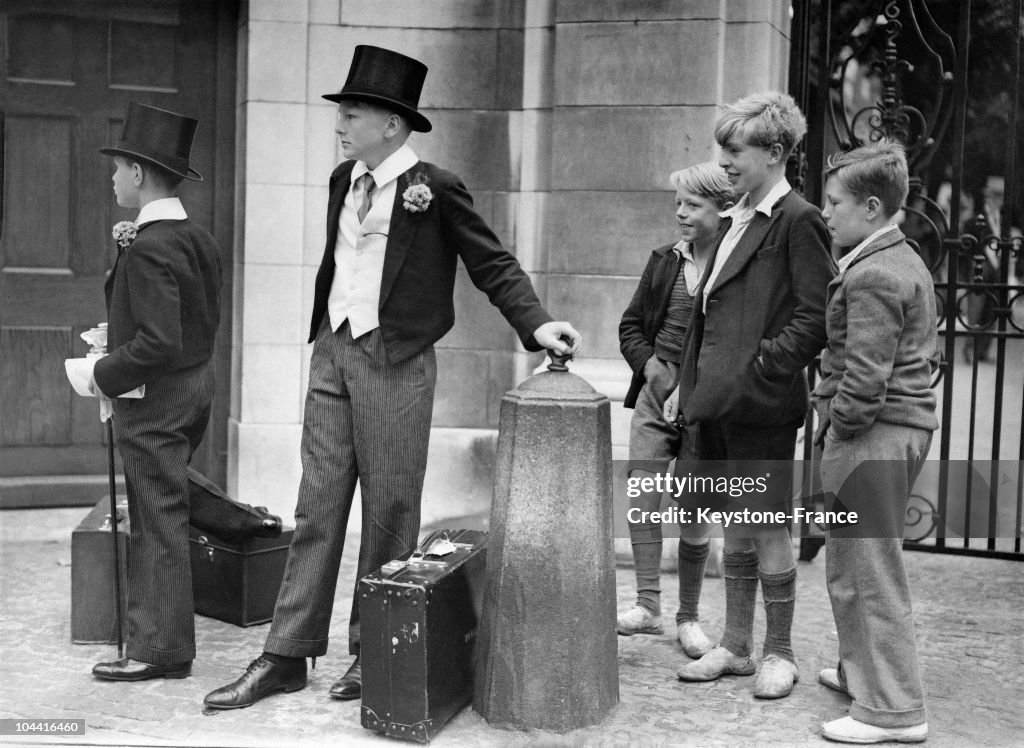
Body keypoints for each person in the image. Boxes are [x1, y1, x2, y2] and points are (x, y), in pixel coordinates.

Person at [204, 46, 581, 709]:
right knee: (316, 504)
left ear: (391, 124)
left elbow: (492, 263)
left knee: (389, 512)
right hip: (332, 353)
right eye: (341, 115)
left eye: (351, 115)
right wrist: (328, 335)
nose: (340, 126)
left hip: (396, 360)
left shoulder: (435, 188)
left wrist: (536, 324)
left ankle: (370, 648)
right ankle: (286, 654)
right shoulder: (339, 181)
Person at [90, 102, 281, 682]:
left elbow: (157, 341)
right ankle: (236, 531)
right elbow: (191, 321)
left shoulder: (149, 246)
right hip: (197, 388)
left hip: (156, 399)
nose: (114, 177)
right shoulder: (196, 237)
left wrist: (99, 373)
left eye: (119, 167)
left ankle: (158, 649)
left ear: (141, 174)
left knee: (157, 518)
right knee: (166, 504)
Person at [667, 91, 835, 699]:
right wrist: (692, 390)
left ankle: (779, 653)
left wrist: (765, 368)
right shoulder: (740, 217)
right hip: (715, 405)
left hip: (760, 405)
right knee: (733, 525)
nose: (726, 162)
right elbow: (707, 314)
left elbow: (816, 316)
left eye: (735, 150)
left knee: (764, 526)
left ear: (774, 151)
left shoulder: (798, 219)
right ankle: (736, 647)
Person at [813, 140, 936, 744]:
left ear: (868, 205)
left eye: (833, 202)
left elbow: (864, 379)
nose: (825, 212)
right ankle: (860, 673)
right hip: (890, 433)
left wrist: (836, 425)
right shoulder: (896, 257)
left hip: (874, 437)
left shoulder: (875, 271)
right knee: (850, 564)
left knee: (871, 570)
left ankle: (894, 711)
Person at [617, 163, 734, 657]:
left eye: (692, 205)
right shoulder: (665, 260)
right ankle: (648, 605)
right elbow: (630, 327)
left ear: (723, 208)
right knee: (643, 494)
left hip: (702, 403)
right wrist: (652, 372)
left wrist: (690, 388)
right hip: (653, 393)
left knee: (695, 509)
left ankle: (688, 617)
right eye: (678, 205)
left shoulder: (732, 265)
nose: (681, 214)